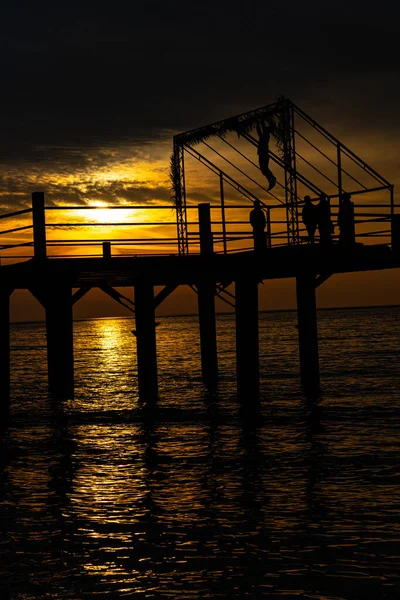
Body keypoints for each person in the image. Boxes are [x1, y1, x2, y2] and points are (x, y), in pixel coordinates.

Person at [256, 121, 276, 191]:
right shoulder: (263, 136)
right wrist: (258, 123)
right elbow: (259, 131)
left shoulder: (266, 135)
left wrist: (261, 121)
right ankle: (271, 180)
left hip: (263, 154)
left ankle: (272, 179)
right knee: (264, 169)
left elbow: (262, 129)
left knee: (264, 169)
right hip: (262, 153)